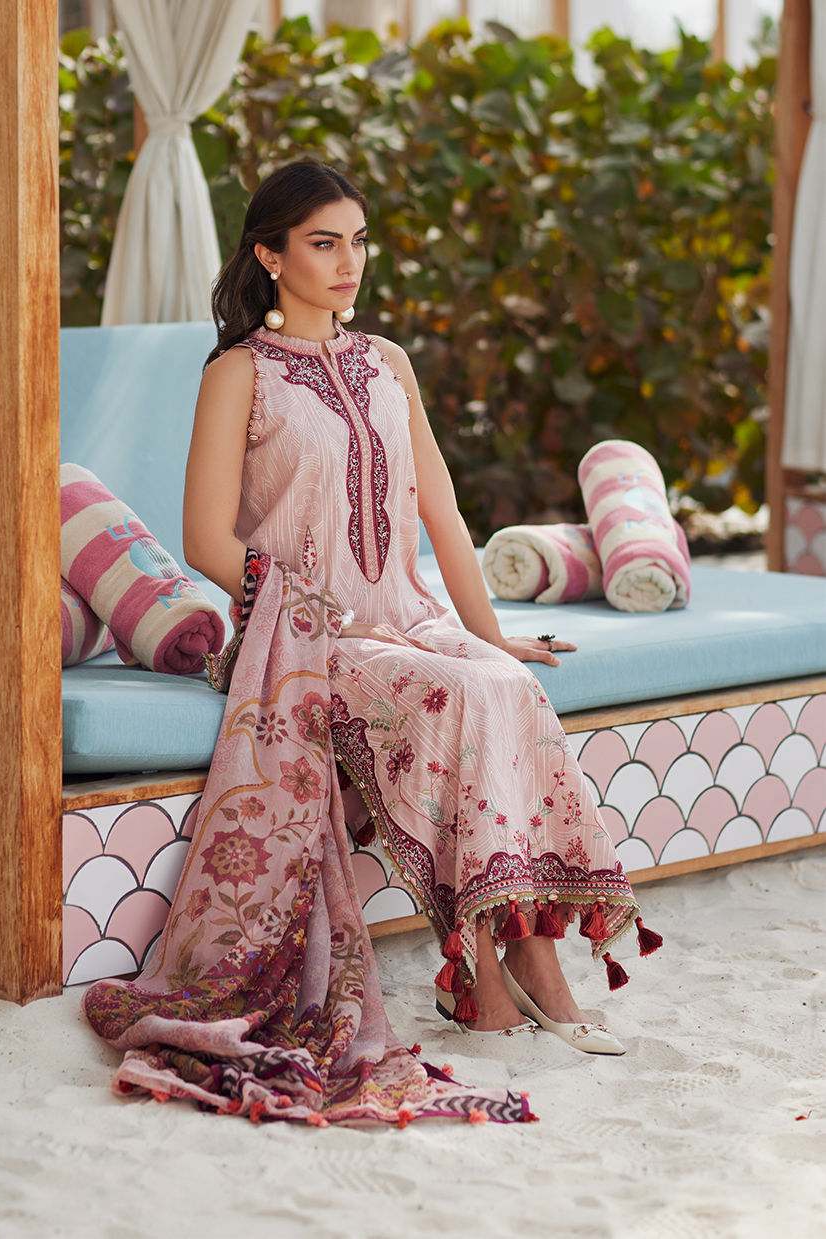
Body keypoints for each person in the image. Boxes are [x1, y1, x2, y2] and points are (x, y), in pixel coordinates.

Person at [84, 161, 660, 1125]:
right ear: (270, 255)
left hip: (410, 613)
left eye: (357, 241)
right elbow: (204, 538)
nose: (348, 261)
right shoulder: (239, 373)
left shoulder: (387, 361)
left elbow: (441, 507)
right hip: (303, 636)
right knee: (465, 694)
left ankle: (513, 957)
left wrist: (490, 634)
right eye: (323, 243)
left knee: (506, 684)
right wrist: (308, 606)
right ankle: (501, 973)